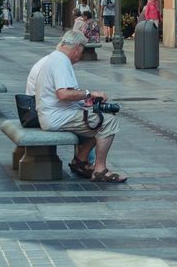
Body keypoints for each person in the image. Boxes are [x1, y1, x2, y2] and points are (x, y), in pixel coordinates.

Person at [25, 33, 126, 183]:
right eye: (82, 51)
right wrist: (88, 94)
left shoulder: (55, 57)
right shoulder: (61, 61)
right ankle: (100, 170)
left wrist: (84, 103)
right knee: (108, 121)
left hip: (52, 114)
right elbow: (63, 94)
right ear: (77, 47)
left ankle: (80, 160)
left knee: (97, 117)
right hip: (56, 117)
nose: (80, 56)